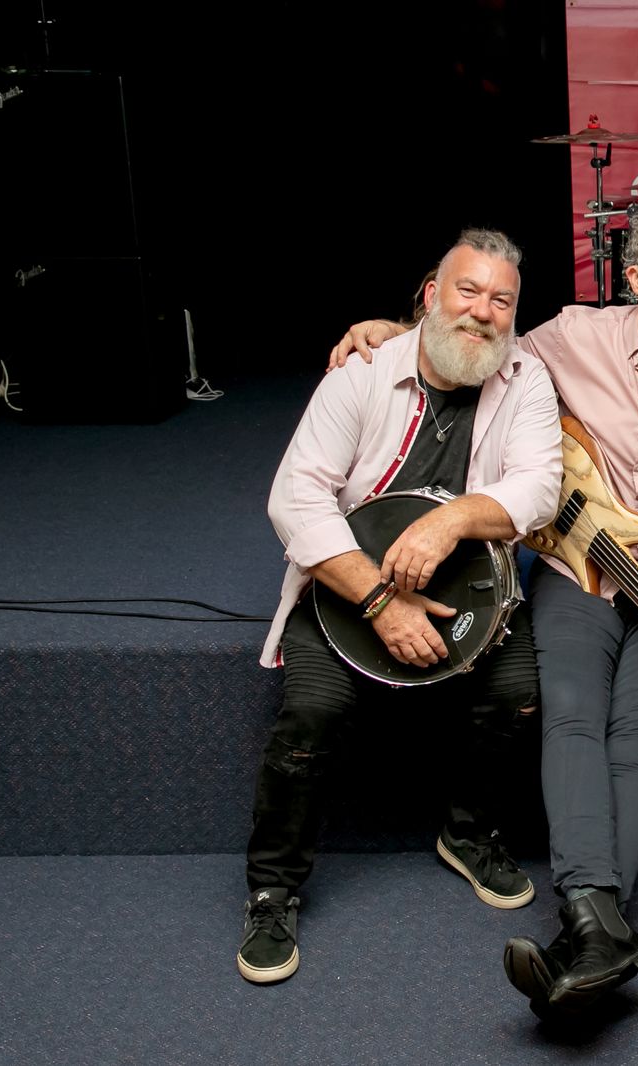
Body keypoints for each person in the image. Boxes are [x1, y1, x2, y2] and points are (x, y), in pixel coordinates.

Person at [327, 199, 638, 1018]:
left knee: (636, 739)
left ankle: (591, 929)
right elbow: (476, 346)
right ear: (634, 277)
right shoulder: (574, 336)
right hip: (579, 572)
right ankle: (600, 929)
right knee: (570, 713)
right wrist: (394, 332)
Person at [240, 229, 563, 984]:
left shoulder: (527, 380)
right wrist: (382, 600)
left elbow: (539, 488)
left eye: (501, 300)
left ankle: (467, 832)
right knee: (312, 712)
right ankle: (272, 887)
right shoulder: (361, 371)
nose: (482, 311)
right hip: (349, 582)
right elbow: (295, 497)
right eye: (467, 290)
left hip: (469, 581)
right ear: (430, 295)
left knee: (517, 694)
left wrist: (453, 519)